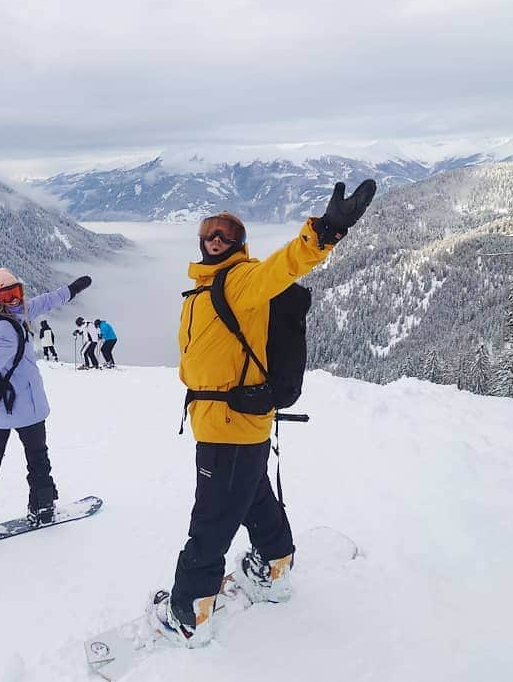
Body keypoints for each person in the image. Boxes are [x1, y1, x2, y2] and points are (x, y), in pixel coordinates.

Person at [150, 180, 377, 648]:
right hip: (229, 422)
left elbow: (286, 265)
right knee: (254, 498)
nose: (216, 238)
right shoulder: (202, 289)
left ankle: (189, 612)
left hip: (229, 425)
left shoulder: (240, 281)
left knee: (211, 521)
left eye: (227, 233)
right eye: (210, 231)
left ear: (240, 242)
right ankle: (274, 567)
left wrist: (326, 230)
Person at [0, 268, 92, 543]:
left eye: (18, 292)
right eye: (8, 294)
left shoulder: (15, 313)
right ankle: (43, 505)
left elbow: (48, 300)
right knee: (37, 458)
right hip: (28, 408)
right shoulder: (4, 327)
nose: (15, 299)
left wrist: (72, 290)